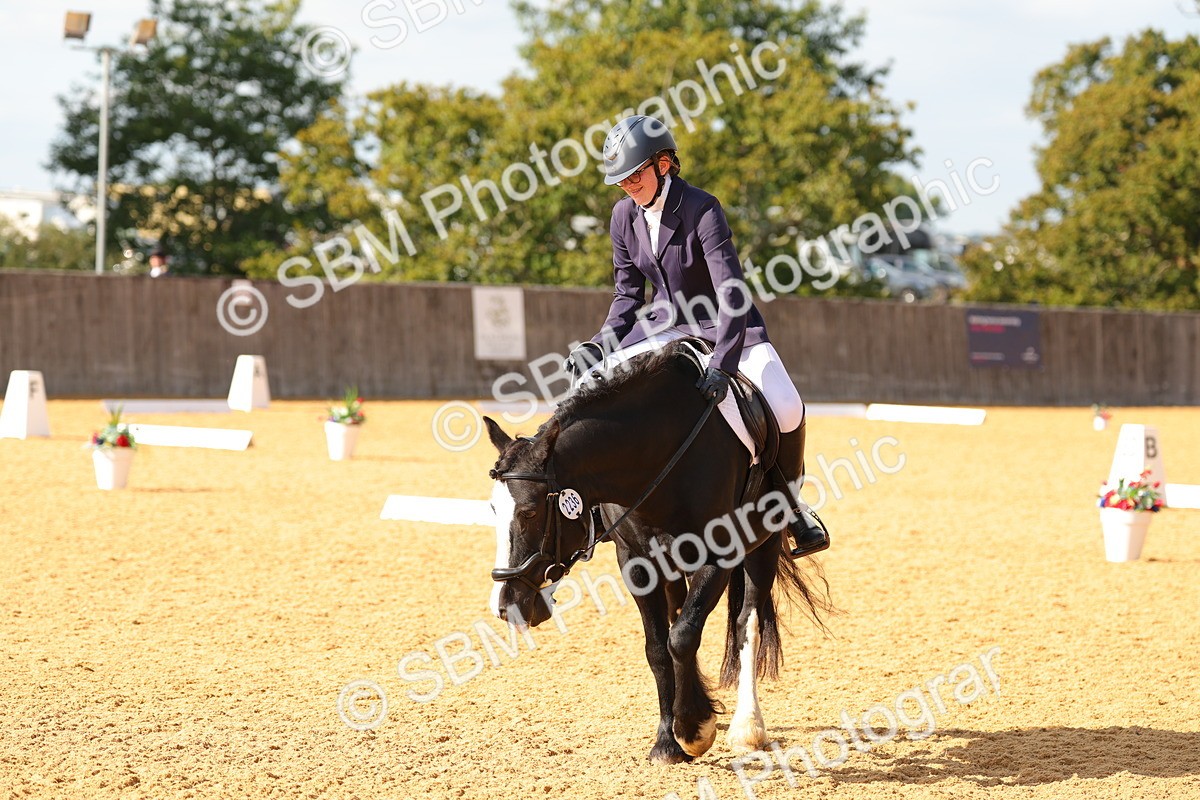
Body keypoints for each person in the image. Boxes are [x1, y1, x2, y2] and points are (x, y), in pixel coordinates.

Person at [563, 115, 828, 558]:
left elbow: (731, 292)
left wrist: (724, 363)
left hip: (721, 323)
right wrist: (600, 343)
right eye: (621, 179)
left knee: (785, 405)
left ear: (664, 163)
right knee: (593, 383)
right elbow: (627, 293)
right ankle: (594, 511)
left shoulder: (702, 208)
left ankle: (791, 507)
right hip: (662, 324)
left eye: (636, 174)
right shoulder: (622, 215)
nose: (628, 185)